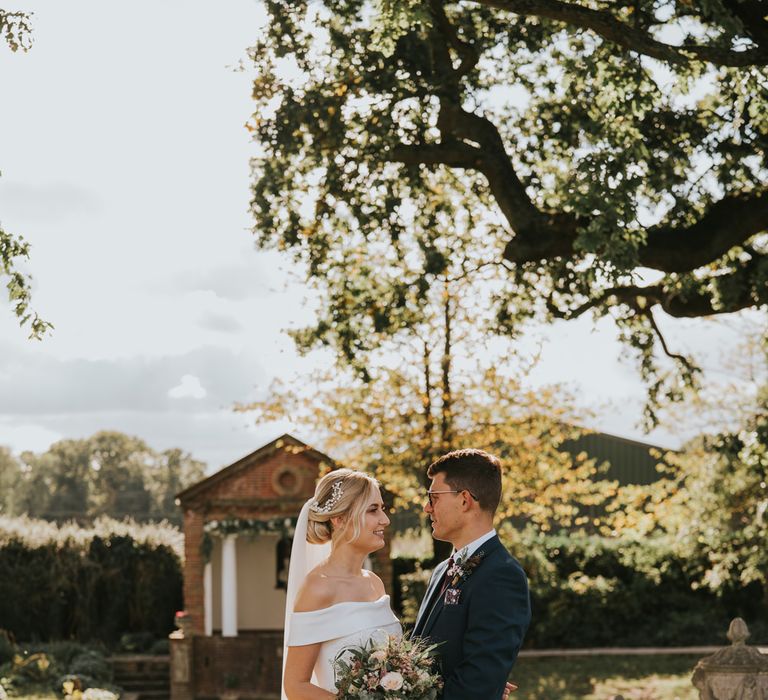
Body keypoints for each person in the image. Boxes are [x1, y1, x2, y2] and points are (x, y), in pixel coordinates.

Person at [413, 448, 531, 700]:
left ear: (464, 500)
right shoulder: (440, 571)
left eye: (433, 497)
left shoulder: (502, 576)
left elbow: (477, 684)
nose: (427, 507)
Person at [281, 468, 400, 700]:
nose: (384, 520)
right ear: (339, 518)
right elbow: (295, 686)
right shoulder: (318, 588)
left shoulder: (374, 583)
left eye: (382, 509)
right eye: (373, 510)